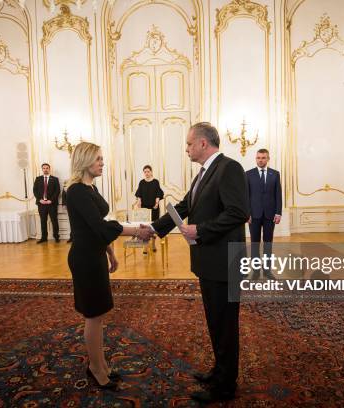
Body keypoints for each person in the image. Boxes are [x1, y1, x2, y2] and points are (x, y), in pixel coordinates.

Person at [138, 122, 249, 403]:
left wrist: (200, 229)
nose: (186, 149)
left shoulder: (229, 168)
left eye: (189, 144)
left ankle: (226, 386)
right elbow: (186, 206)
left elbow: (238, 212)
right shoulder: (204, 173)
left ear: (202, 143)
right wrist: (154, 228)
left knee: (225, 324)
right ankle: (219, 371)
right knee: (215, 321)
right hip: (209, 261)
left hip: (224, 262)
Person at [66, 142, 148, 390]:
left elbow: (99, 223)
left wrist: (110, 252)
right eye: (98, 159)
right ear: (84, 161)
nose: (102, 162)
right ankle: (96, 368)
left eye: (102, 158)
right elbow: (100, 228)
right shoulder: (76, 191)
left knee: (99, 314)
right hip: (84, 258)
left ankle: (100, 364)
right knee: (94, 315)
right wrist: (135, 231)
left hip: (96, 254)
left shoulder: (90, 188)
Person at [246, 148, 282, 279]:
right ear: (256, 159)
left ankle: (267, 271)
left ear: (268, 159)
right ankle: (255, 271)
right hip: (253, 216)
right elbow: (246, 196)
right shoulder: (248, 174)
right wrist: (247, 213)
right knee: (255, 244)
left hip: (269, 215)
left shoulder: (275, 174)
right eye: (258, 158)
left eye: (263, 158)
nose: (260, 160)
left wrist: (278, 213)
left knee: (268, 243)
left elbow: (278, 194)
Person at [134, 165, 164, 253]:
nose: (146, 173)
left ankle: (153, 244)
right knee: (144, 228)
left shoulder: (155, 182)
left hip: (154, 208)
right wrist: (139, 201)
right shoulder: (141, 182)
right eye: (145, 172)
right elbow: (139, 194)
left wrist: (157, 202)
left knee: (153, 227)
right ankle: (145, 246)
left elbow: (159, 193)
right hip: (144, 209)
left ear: (151, 172)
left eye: (148, 171)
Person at [33, 163, 61, 243]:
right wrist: (39, 200)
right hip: (41, 204)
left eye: (47, 168)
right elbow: (35, 190)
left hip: (52, 204)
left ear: (49, 169)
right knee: (43, 221)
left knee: (54, 220)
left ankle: (56, 237)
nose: (45, 169)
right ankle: (44, 237)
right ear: (42, 169)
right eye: (44, 168)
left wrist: (51, 200)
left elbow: (57, 191)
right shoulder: (38, 179)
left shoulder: (55, 179)